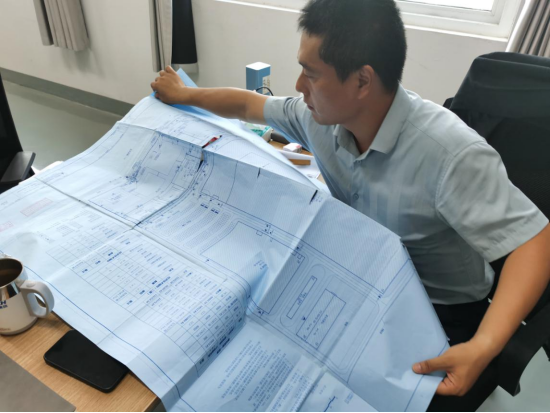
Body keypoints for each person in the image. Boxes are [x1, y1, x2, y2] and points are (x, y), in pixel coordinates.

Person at [151, 0, 550, 399]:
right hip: (366, 281)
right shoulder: (320, 120)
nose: (298, 86)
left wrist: (484, 346)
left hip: (441, 313)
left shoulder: (450, 155)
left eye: (311, 74)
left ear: (362, 81)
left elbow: (535, 241)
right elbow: (246, 104)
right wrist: (184, 94)